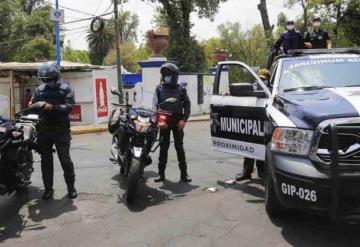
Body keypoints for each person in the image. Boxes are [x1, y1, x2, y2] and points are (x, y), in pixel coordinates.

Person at [32, 63, 77, 200]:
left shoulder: (66, 89)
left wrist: (52, 108)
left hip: (61, 130)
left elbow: (69, 107)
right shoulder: (39, 90)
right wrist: (32, 105)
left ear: (56, 77)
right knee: (46, 162)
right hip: (44, 130)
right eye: (44, 79)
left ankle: (71, 187)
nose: (47, 82)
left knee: (65, 160)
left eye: (49, 79)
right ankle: (48, 189)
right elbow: (34, 105)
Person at [152, 63, 192, 183]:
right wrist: (159, 121)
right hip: (164, 122)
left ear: (174, 76)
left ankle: (184, 174)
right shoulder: (159, 88)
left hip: (177, 122)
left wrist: (184, 120)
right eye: (165, 75)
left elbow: (187, 105)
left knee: (179, 147)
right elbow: (155, 106)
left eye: (169, 75)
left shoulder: (181, 89)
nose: (167, 77)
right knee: (163, 148)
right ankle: (161, 174)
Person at [236, 69, 270, 182]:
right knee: (249, 146)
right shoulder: (252, 87)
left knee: (262, 147)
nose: (261, 82)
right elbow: (243, 95)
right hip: (252, 121)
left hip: (264, 122)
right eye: (259, 79)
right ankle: (247, 172)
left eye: (263, 79)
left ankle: (262, 172)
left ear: (268, 80)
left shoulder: (271, 90)